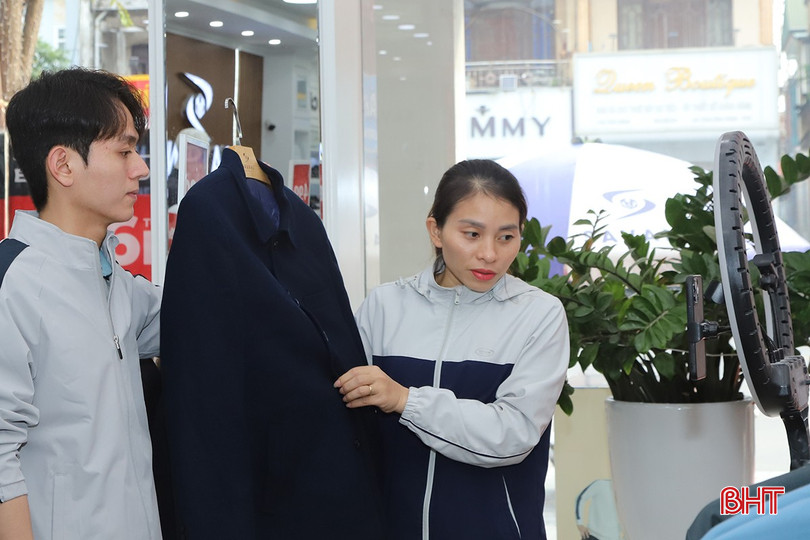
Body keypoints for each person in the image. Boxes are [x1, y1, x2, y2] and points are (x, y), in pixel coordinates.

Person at [335, 158, 569, 539]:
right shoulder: (384, 308)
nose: (490, 254)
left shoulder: (539, 315)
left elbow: (512, 434)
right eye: (472, 234)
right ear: (436, 230)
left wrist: (405, 400)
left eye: (506, 237)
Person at [0, 68, 162, 539]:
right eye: (125, 151)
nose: (141, 169)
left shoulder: (118, 283)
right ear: (64, 165)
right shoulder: (14, 284)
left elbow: (200, 322)